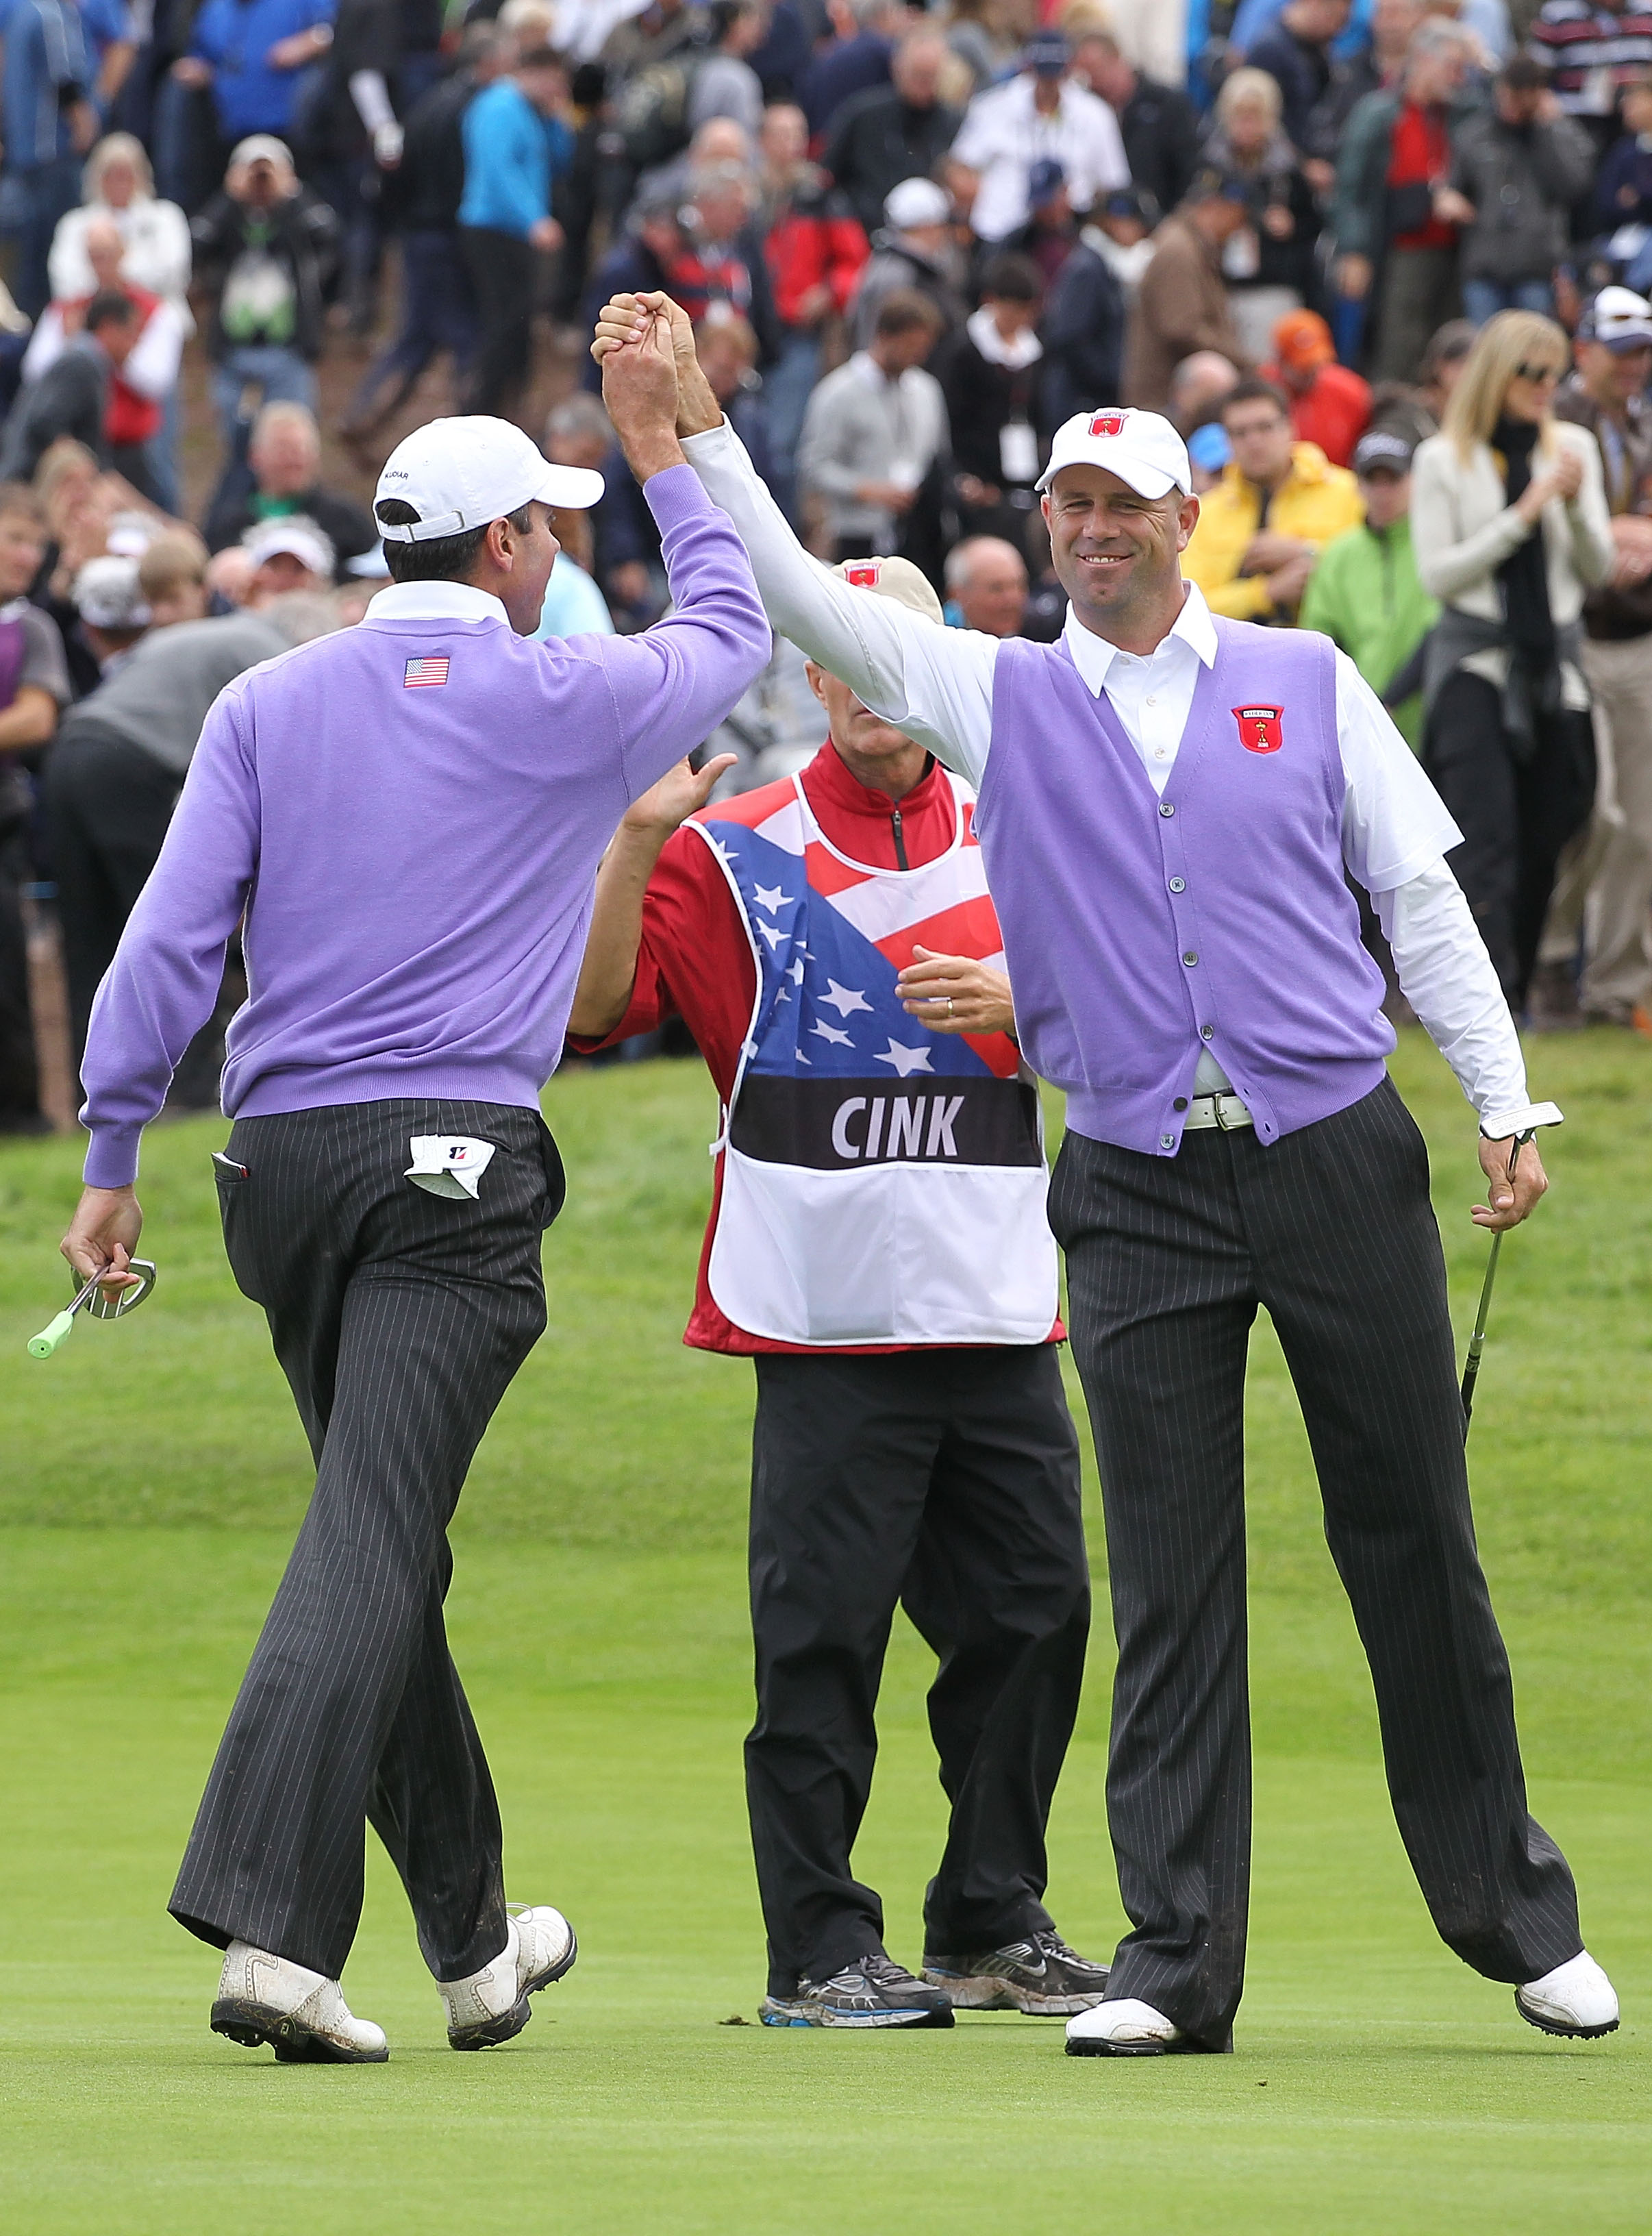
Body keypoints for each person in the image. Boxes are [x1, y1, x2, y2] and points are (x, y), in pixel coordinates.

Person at [595, 287, 1623, 2057]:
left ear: (1179, 521)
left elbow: (1424, 904)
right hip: (1135, 1179)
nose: (1085, 530)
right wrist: (692, 428)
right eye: (1063, 507)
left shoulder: (1302, 683)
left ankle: (1513, 1920)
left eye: (1116, 507)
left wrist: (1503, 1097)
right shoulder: (996, 692)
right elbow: (801, 593)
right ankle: (1174, 1959)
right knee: (1164, 1573)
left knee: (1410, 1538)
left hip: (1329, 1156)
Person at [60, 330, 772, 2062]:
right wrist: (663, 445)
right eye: (554, 524)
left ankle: (469, 1944)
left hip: (277, 1175)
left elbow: (165, 949)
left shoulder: (262, 696)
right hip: (451, 1173)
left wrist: (105, 1153)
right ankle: (272, 1935)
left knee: (383, 1543)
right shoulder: (563, 695)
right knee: (370, 1537)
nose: (562, 549)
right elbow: (738, 632)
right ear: (509, 550)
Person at [565, 551, 1106, 2030]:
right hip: (821, 1315)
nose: (873, 682)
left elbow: (1143, 1023)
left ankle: (991, 1919)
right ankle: (816, 1950)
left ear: (940, 663)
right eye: (843, 654)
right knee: (822, 1644)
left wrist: (1034, 1009)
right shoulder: (727, 847)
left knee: (1040, 1617)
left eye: (900, 650)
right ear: (811, 674)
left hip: (998, 1303)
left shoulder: (1033, 826)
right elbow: (596, 1014)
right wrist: (626, 843)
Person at [1411, 311, 1614, 1008]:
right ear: (1498, 374)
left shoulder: (1573, 447)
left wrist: (1576, 506)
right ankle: (1485, 1001)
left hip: (1554, 662)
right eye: (1529, 372)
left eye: (1553, 373)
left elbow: (1597, 566)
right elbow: (1440, 577)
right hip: (1476, 660)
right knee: (1484, 837)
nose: (1543, 386)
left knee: (1566, 815)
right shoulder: (1444, 458)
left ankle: (1522, 986)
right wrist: (1526, 511)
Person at [44, 596, 295, 1079]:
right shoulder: (274, 655)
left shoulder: (208, 637)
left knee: (89, 938)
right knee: (182, 927)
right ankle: (190, 1081)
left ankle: (92, 1089)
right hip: (129, 764)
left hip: (70, 755)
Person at [1551, 286, 1652, 1029]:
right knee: (1595, 814)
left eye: (1644, 352)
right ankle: (1551, 958)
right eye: (1622, 353)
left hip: (1638, 637)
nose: (1635, 366)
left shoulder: (1644, 422)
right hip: (1575, 636)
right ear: (1583, 349)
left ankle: (1614, 989)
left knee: (1640, 824)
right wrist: (1616, 531)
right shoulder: (1556, 421)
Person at [342, 22, 514, 437]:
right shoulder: (481, 108)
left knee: (419, 336)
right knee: (465, 337)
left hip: (419, 233)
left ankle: (363, 419)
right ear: (489, 62)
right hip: (450, 236)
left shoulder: (432, 100)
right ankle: (478, 433)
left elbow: (397, 169)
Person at [1333, 21, 1477, 384]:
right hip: (1400, 248)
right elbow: (1351, 186)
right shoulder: (1379, 112)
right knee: (1398, 348)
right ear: (1425, 61)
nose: (1459, 78)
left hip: (1453, 249)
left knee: (1449, 351)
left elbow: (1495, 105)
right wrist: (1354, 249)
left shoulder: (1459, 113)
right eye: (1453, 66)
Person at [23, 219, 188, 503]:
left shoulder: (156, 310)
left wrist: (111, 351)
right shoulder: (66, 309)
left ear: (124, 253)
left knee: (157, 493)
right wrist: (83, 347)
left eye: (107, 253)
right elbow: (35, 372)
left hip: (134, 443)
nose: (101, 263)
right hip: (80, 445)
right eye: (94, 255)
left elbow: (157, 381)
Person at [759, 101, 870, 520]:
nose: (791, 145)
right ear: (763, 140)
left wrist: (827, 293)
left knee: (783, 440)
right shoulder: (748, 193)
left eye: (797, 135)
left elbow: (854, 261)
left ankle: (782, 531)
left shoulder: (819, 196)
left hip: (795, 331)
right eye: (781, 134)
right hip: (748, 330)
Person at [0, 483, 72, 1132]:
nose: (28, 556)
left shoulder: (29, 629)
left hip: (5, 823)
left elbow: (34, 718)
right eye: (16, 539)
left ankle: (21, 1118)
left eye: (36, 545)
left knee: (6, 986)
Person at [189, 134, 338, 445]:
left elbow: (329, 234)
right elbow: (195, 244)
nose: (260, 181)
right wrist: (229, 197)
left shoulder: (295, 216)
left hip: (288, 348)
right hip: (233, 349)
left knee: (289, 441)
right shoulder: (229, 217)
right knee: (237, 447)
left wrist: (291, 195)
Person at [1300, 425, 1438, 745]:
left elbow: (1441, 628)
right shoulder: (1338, 555)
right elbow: (1321, 640)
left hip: (1433, 720)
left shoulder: (1435, 543)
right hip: (1362, 728)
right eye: (1371, 481)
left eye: (1393, 480)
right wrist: (1361, 705)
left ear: (1414, 481)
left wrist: (1391, 699)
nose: (1382, 492)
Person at [1183, 377, 1364, 620]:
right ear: (1227, 441)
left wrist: (1307, 553)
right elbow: (1187, 608)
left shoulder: (1348, 492)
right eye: (1240, 433)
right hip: (1238, 652)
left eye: (1265, 427)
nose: (1254, 442)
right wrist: (1266, 593)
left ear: (1291, 427)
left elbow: (1371, 577)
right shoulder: (1205, 513)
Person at [458, 45, 572, 414]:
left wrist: (556, 120)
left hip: (517, 233)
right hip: (493, 228)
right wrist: (533, 219)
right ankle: (481, 405)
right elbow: (498, 169)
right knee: (503, 321)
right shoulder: (499, 107)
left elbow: (556, 161)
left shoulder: (533, 112)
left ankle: (513, 400)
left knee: (521, 322)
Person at [1439, 57, 1595, 325]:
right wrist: (1448, 199)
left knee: (1532, 350)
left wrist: (1546, 130)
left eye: (1521, 99)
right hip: (1485, 265)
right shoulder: (1475, 134)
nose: (1511, 106)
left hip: (1536, 267)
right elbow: (1453, 186)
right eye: (1508, 96)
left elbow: (1574, 187)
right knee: (1485, 347)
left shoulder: (1558, 134)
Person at [799, 288, 947, 562]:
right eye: (910, 346)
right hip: (853, 533)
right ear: (883, 336)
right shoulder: (837, 393)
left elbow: (937, 455)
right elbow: (814, 467)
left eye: (923, 349)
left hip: (917, 533)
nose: (917, 356)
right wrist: (866, 490)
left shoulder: (926, 390)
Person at [948, 30, 1129, 245]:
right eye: (1042, 75)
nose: (1049, 84)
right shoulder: (992, 107)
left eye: (1055, 75)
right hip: (1001, 233)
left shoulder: (1095, 115)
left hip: (1070, 235)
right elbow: (959, 168)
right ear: (1028, 67)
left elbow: (1115, 183)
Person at [1199, 66, 1321, 364]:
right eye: (1240, 116)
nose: (1247, 126)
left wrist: (1292, 227)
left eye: (1255, 117)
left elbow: (1315, 224)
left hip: (1273, 285)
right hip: (1222, 285)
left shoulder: (1288, 170)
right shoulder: (1212, 169)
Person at [1, 0, 101, 319]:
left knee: (29, 252)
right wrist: (83, 121)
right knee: (55, 249)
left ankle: (27, 330)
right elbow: (64, 76)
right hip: (52, 152)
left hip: (23, 154)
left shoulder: (19, 13)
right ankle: (48, 328)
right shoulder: (49, 13)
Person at [937, 252, 1044, 547]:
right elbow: (950, 420)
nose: (1019, 321)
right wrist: (962, 475)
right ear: (991, 302)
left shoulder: (1034, 353)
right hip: (978, 483)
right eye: (1012, 311)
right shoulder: (962, 353)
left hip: (1022, 476)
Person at [1123, 171, 1253, 410]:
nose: (1238, 227)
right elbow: (1181, 328)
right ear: (1217, 207)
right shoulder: (1179, 250)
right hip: (1166, 400)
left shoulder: (1193, 245)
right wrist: (1243, 362)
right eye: (1240, 216)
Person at [819, 25, 962, 240]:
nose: (923, 83)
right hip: (865, 237)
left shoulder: (955, 123)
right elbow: (828, 176)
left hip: (933, 242)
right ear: (897, 67)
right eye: (917, 74)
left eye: (930, 75)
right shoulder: (862, 115)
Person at [203, 399, 376, 569]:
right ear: (255, 456)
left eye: (301, 449)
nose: (293, 460)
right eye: (283, 450)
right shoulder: (229, 522)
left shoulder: (344, 519)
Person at [1066, 12, 1201, 226]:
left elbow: (1189, 173)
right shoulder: (1085, 115)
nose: (1093, 81)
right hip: (1106, 226)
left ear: (1117, 58)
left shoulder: (1167, 104)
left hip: (1162, 223)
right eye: (1085, 75)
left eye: (1096, 70)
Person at [0, 291, 140, 484]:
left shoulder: (83, 356)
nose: (134, 345)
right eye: (130, 334)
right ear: (109, 327)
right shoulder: (84, 362)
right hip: (30, 483)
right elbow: (45, 424)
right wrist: (83, 472)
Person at [177, 0, 338, 162]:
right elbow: (202, 54)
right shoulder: (216, 9)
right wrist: (196, 70)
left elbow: (337, 28)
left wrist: (308, 43)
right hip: (232, 127)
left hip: (291, 127)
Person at [849, 175, 968, 350]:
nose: (944, 235)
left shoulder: (921, 269)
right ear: (926, 227)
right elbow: (874, 341)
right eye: (940, 226)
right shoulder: (896, 274)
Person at [1039, 203, 1129, 427]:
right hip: (1078, 399)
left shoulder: (1099, 263)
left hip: (1085, 396)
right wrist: (1107, 377)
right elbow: (1069, 336)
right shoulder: (1087, 268)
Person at [1530, 0, 1652, 147]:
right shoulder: (1557, 14)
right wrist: (1546, 99)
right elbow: (1535, 73)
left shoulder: (1647, 11)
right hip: (1574, 118)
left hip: (1635, 122)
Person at [1261, 308, 1372, 466]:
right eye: (1302, 367)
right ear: (1280, 361)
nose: (1311, 373)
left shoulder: (1351, 392)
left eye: (1315, 364)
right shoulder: (1261, 395)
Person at [1244, 0, 1351, 158]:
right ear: (1314, 5)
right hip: (1279, 168)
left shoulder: (1317, 48)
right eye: (1335, 18)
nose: (1337, 29)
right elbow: (1260, 123)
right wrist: (1303, 166)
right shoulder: (1269, 50)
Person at [944, 534, 1030, 634]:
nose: (1012, 599)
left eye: (1019, 586)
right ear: (956, 595)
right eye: (997, 589)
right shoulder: (938, 642)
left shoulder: (1041, 634)